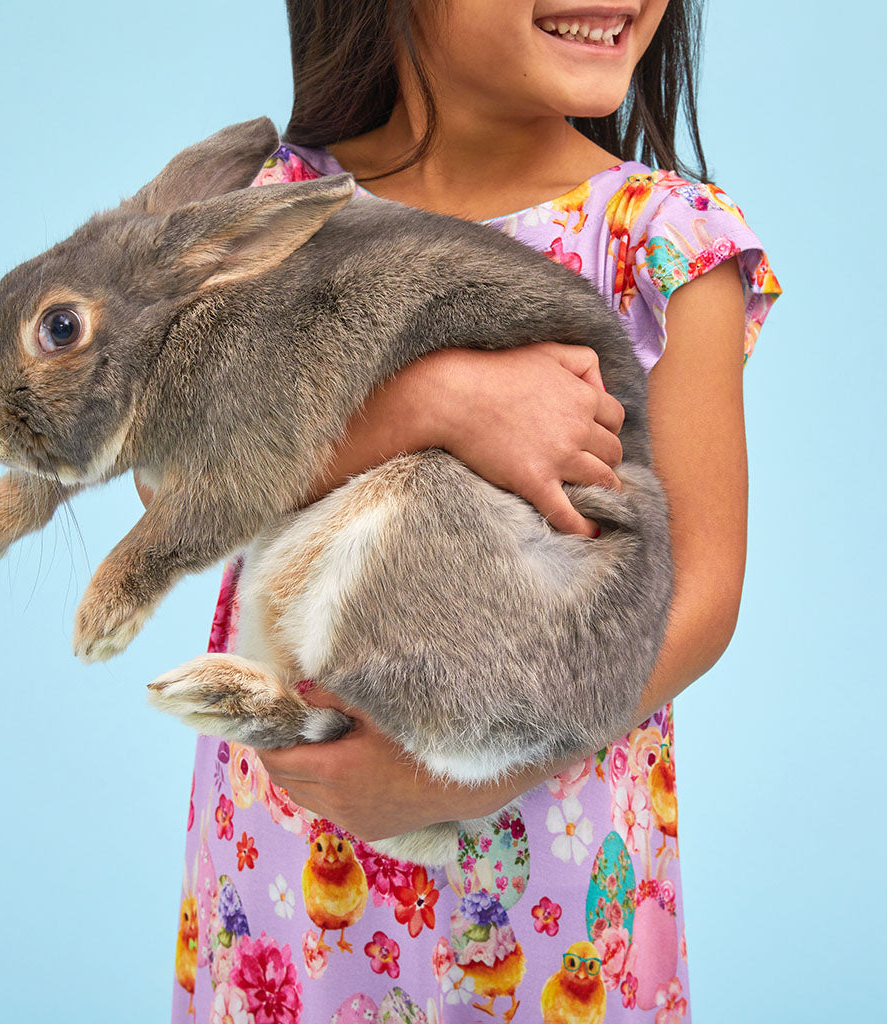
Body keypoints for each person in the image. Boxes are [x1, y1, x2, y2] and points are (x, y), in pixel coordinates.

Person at [158, 2, 781, 1020]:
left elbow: (702, 596)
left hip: (555, 885)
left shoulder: (661, 244)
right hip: (291, 867)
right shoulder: (275, 213)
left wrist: (468, 774)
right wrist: (439, 403)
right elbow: (175, 484)